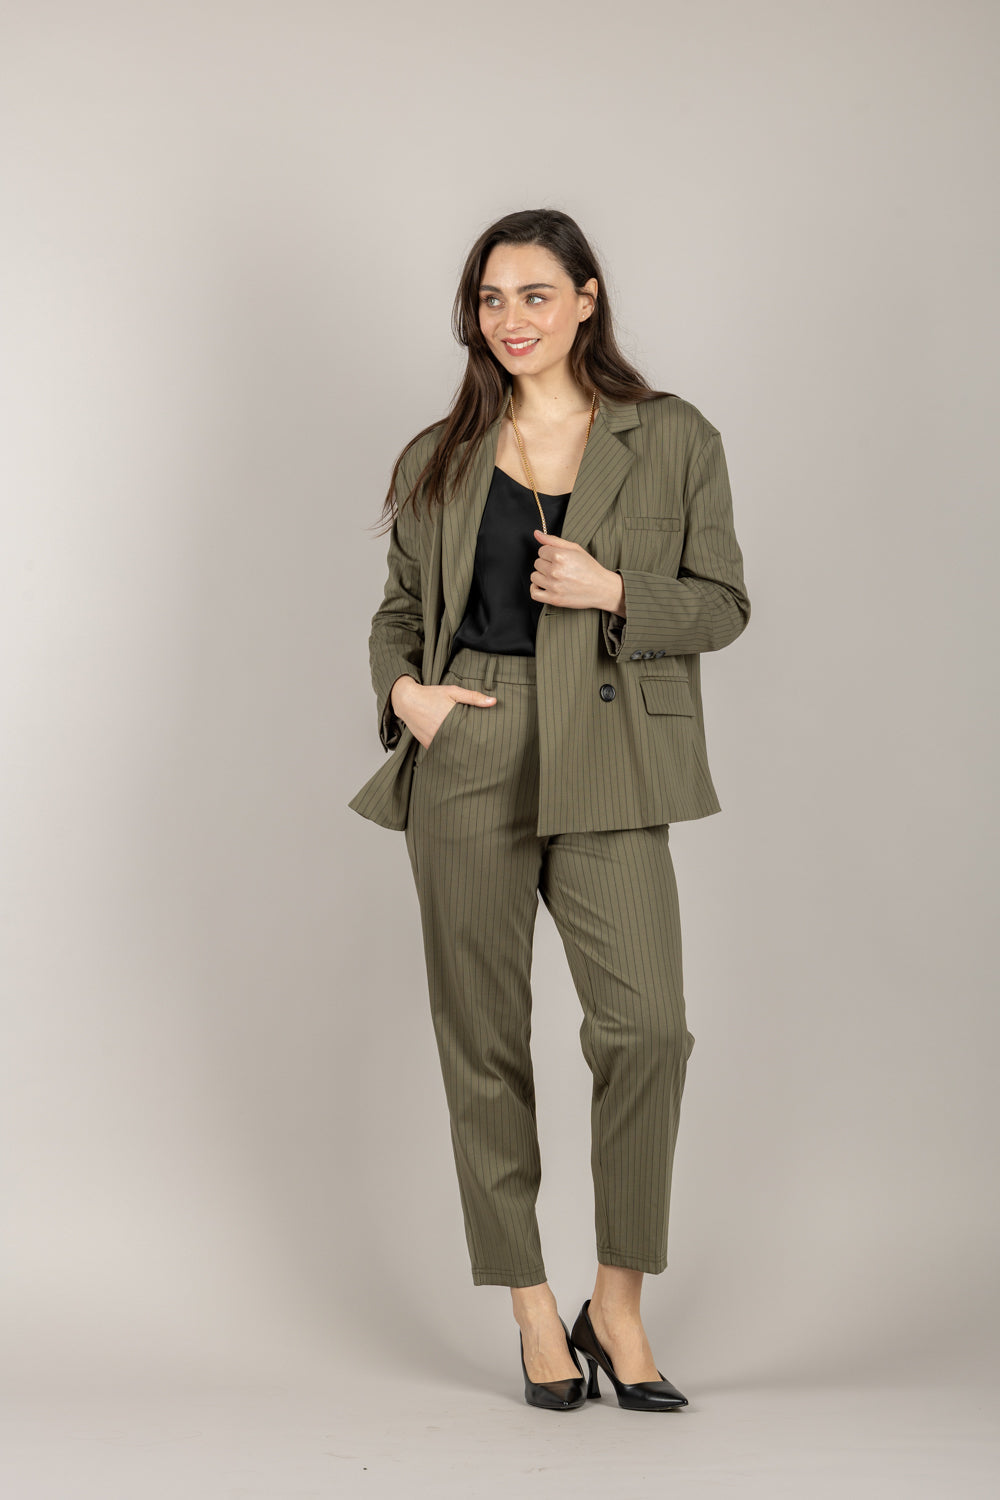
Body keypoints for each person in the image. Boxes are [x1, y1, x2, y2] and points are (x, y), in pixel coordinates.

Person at [349, 208, 750, 1411]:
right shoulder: (439, 455)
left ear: (586, 298)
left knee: (647, 1030)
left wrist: (615, 589)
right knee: (481, 1036)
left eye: (533, 294)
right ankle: (530, 1303)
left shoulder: (670, 435)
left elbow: (724, 603)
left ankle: (614, 1305)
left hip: (612, 738)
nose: (509, 319)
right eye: (489, 298)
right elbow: (396, 614)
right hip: (470, 735)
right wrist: (406, 695)